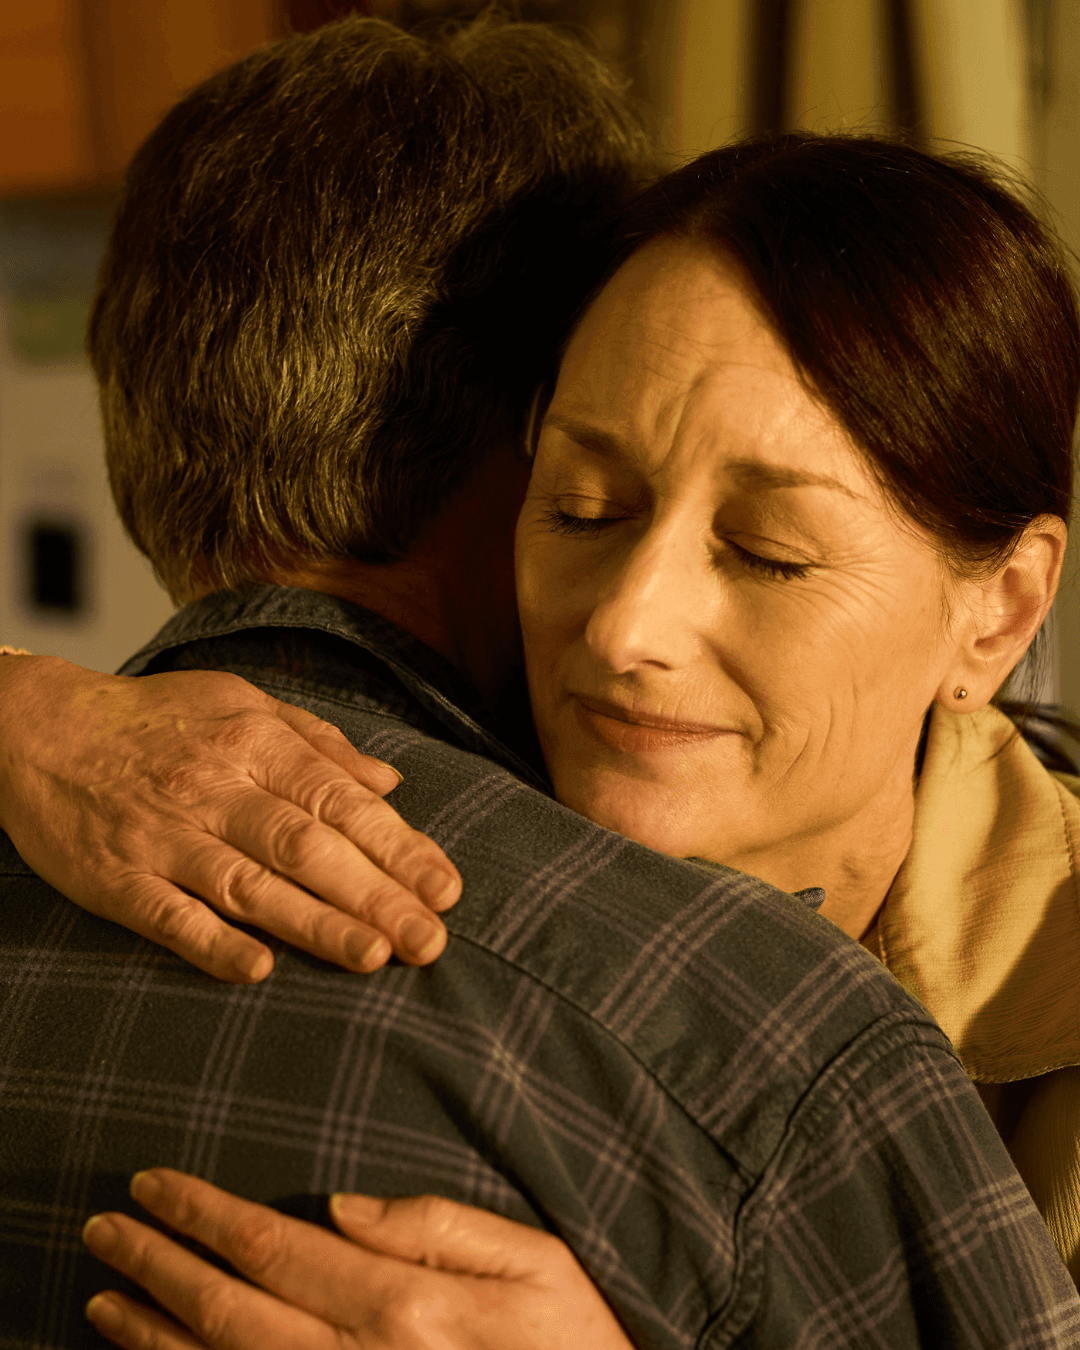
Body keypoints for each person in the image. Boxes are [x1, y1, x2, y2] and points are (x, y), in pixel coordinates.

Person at [8, 17, 1064, 1350]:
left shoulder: (815, 1054)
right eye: (585, 505)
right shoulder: (738, 1043)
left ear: (1005, 611)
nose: (627, 623)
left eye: (771, 553)